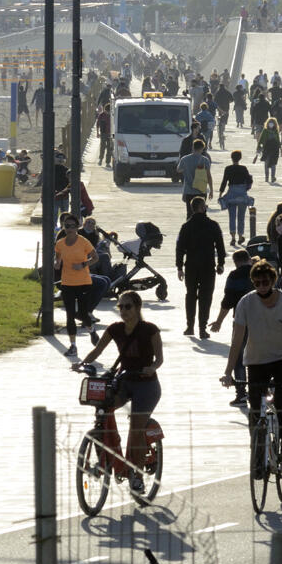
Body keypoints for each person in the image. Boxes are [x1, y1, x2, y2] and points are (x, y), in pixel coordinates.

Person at [220, 259, 282, 472]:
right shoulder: (246, 303)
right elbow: (237, 339)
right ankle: (258, 458)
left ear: (273, 281)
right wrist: (228, 372)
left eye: (265, 282)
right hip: (257, 360)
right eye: (257, 283)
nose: (261, 286)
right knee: (255, 409)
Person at [73, 290, 163, 490]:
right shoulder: (115, 329)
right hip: (124, 380)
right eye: (120, 306)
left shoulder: (150, 329)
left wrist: (152, 368)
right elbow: (97, 350)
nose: (123, 310)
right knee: (103, 410)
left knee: (137, 427)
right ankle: (107, 460)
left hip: (147, 384)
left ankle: (137, 476)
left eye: (127, 306)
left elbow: (159, 359)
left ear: (138, 307)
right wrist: (81, 363)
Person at [175, 196, 226, 338]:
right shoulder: (213, 225)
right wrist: (221, 264)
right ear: (202, 208)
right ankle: (202, 328)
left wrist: (179, 267)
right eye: (205, 205)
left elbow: (180, 248)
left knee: (190, 295)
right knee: (206, 296)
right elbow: (220, 246)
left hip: (191, 266)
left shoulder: (186, 226)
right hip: (207, 266)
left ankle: (189, 326)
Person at [210, 249, 255, 406]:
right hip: (264, 320)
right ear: (249, 259)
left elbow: (228, 301)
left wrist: (218, 322)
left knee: (239, 356)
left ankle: (242, 393)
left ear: (235, 262)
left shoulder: (234, 276)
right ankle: (259, 391)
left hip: (241, 320)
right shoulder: (259, 272)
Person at [55, 213, 98, 357]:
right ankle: (73, 346)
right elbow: (58, 260)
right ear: (64, 227)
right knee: (70, 315)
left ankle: (91, 330)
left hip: (83, 282)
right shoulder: (60, 243)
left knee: (83, 315)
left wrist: (83, 264)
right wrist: (56, 264)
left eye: (73, 226)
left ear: (77, 227)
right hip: (67, 282)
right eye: (67, 226)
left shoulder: (83, 241)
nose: (70, 229)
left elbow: (95, 257)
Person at [218, 150, 253, 247]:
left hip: (231, 193)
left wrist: (220, 194)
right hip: (242, 193)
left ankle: (233, 237)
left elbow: (224, 182)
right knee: (241, 216)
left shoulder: (228, 168)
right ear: (240, 158)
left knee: (232, 216)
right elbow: (249, 180)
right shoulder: (243, 168)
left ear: (231, 158)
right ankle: (240, 236)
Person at [176, 139, 213, 218]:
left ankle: (190, 229)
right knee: (202, 213)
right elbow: (209, 176)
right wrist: (211, 191)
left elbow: (178, 170)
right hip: (201, 191)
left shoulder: (184, 159)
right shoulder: (205, 160)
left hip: (189, 191)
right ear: (202, 148)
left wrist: (187, 169)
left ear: (193, 147)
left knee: (189, 213)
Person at [255, 117, 282, 183]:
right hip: (266, 149)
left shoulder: (276, 131)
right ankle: (267, 177)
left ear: (275, 124)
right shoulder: (265, 131)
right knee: (266, 163)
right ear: (267, 123)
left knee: (273, 163)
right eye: (270, 123)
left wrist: (280, 149)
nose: (271, 124)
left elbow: (278, 140)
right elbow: (261, 140)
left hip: (275, 150)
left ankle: (272, 177)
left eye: (272, 123)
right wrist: (259, 148)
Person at [97, 103, 113, 167]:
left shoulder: (112, 115)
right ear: (105, 110)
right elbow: (97, 124)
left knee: (109, 149)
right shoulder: (101, 115)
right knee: (102, 147)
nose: (108, 113)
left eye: (109, 112)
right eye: (107, 111)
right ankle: (100, 159)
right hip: (103, 133)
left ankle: (108, 163)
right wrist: (97, 133)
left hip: (110, 134)